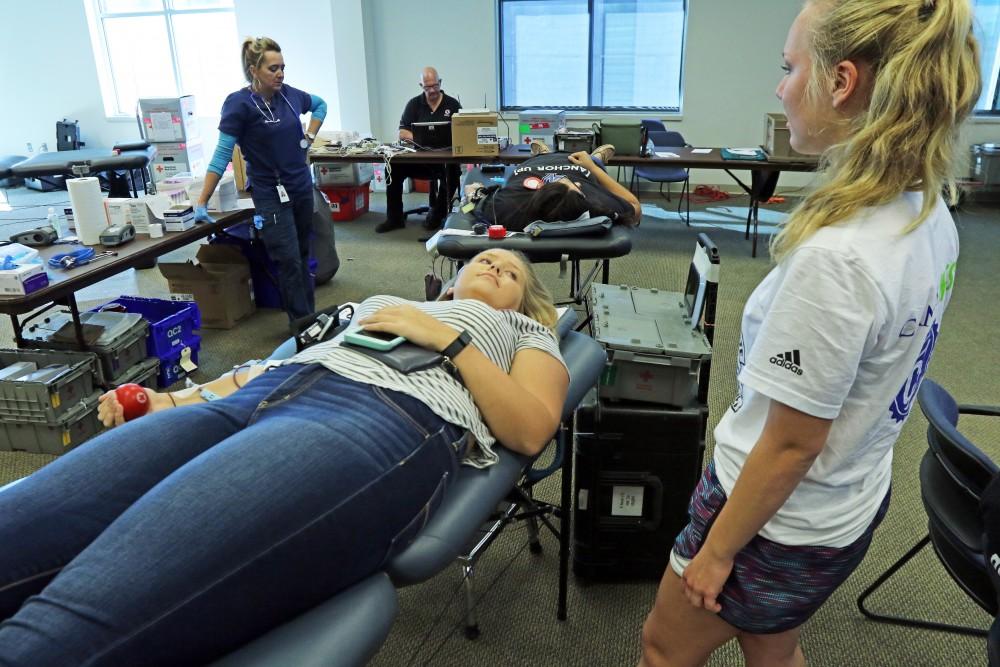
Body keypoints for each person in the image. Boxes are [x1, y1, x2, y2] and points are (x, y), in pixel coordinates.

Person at [0, 249, 569, 666]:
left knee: (80, 613)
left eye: (512, 272)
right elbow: (267, 367)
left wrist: (448, 339)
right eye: (486, 260)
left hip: (378, 418)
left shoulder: (521, 331)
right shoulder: (387, 303)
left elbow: (529, 429)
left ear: (525, 299)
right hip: (263, 395)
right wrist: (173, 399)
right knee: (19, 526)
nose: (495, 267)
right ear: (453, 278)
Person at [639, 1, 980, 666]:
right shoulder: (927, 208)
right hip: (846, 503)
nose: (779, 85)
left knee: (663, 647)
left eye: (789, 66)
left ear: (841, 82)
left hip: (774, 520)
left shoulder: (841, 258)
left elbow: (793, 443)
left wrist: (717, 554)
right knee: (771, 643)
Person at [194, 36, 327, 323]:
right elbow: (222, 155)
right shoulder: (238, 104)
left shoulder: (290, 96)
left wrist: (310, 136)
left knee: (303, 254)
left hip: (301, 185)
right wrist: (202, 200)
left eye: (282, 68)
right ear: (254, 70)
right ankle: (303, 326)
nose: (280, 74)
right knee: (288, 258)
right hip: (270, 192)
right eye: (272, 69)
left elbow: (321, 106)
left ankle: (309, 318)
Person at [465, 142, 641, 232]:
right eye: (577, 187)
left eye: (563, 182)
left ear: (544, 190)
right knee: (592, 162)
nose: (577, 183)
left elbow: (472, 200)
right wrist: (593, 167)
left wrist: (474, 190)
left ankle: (543, 153)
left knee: (541, 155)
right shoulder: (596, 205)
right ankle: (598, 158)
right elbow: (635, 207)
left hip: (534, 163)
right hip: (579, 162)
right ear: (582, 200)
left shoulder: (508, 207)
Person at [376, 67, 463, 233]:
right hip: (419, 159)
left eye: (435, 86)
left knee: (452, 174)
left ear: (440, 83)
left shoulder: (452, 104)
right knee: (392, 168)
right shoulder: (414, 104)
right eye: (427, 87)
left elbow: (463, 130)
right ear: (421, 86)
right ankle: (394, 218)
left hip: (445, 160)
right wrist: (423, 140)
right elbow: (402, 131)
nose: (432, 90)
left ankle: (437, 215)